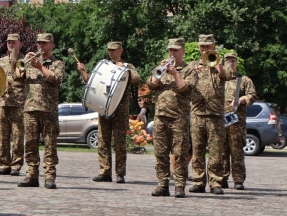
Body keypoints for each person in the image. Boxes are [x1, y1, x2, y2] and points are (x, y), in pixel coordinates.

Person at [78, 41, 140, 183]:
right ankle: (105, 172)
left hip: (120, 111)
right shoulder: (104, 66)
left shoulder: (127, 66)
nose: (110, 52)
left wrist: (126, 70)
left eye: (113, 50)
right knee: (103, 142)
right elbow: (91, 83)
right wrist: (83, 71)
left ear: (121, 50)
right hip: (103, 108)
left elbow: (137, 80)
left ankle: (120, 174)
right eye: (109, 50)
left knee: (120, 143)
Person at [146, 38, 196, 198]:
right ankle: (162, 185)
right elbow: (151, 85)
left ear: (183, 51)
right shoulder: (162, 67)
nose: (172, 53)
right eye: (170, 50)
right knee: (160, 153)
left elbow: (185, 89)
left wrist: (175, 73)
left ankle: (180, 186)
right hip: (161, 117)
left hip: (179, 119)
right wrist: (160, 70)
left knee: (180, 154)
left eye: (175, 50)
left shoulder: (189, 70)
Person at [188, 34, 236, 195]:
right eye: (202, 46)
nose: (204, 49)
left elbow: (230, 75)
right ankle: (198, 181)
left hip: (215, 114)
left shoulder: (221, 63)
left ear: (214, 46)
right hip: (197, 114)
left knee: (216, 151)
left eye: (208, 46)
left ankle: (215, 182)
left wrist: (216, 63)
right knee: (198, 149)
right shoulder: (193, 65)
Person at [17, 33, 65, 189]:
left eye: (44, 43)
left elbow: (56, 79)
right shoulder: (30, 62)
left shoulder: (57, 63)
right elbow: (17, 76)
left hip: (48, 110)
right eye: (39, 43)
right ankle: (31, 175)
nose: (41, 46)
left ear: (52, 45)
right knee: (30, 144)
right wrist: (24, 62)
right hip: (30, 108)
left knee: (50, 145)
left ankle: (50, 177)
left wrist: (40, 67)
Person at [221, 52, 257, 190]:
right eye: (227, 60)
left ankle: (238, 180)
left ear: (236, 62)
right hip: (220, 121)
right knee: (221, 152)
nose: (230, 63)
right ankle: (222, 178)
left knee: (237, 152)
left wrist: (242, 99)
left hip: (236, 122)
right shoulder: (219, 79)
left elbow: (252, 95)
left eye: (232, 60)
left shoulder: (244, 79)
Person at [0, 34, 26, 176]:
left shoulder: (25, 60)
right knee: (3, 137)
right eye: (9, 42)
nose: (11, 45)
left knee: (18, 137)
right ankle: (4, 164)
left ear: (20, 44)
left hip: (18, 104)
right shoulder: (1, 61)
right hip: (3, 103)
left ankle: (16, 166)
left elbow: (26, 77)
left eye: (13, 42)